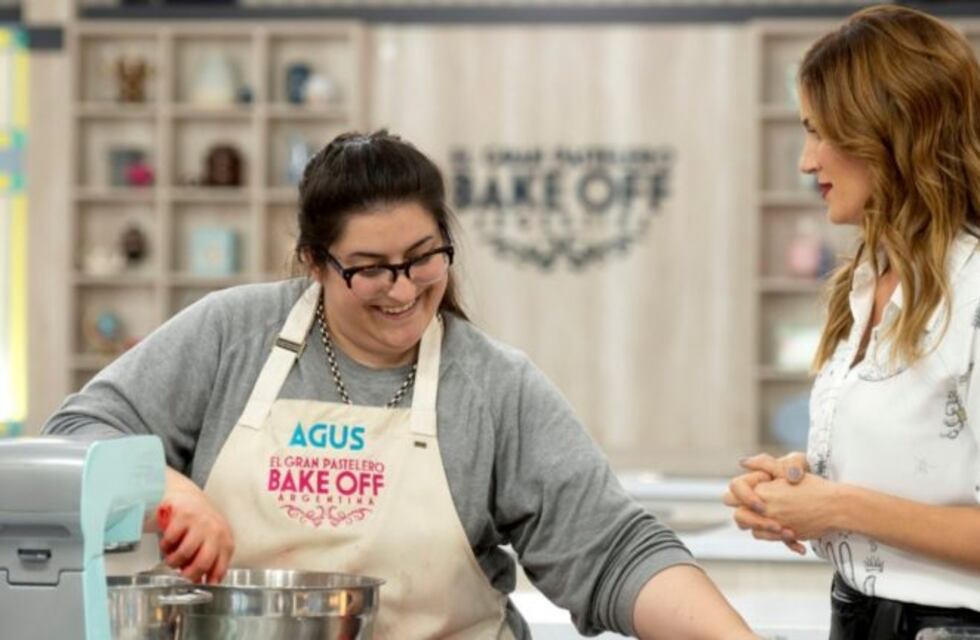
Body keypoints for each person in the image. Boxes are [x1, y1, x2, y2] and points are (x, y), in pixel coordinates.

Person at [45, 130, 756, 638]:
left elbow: (610, 551)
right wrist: (169, 489)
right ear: (315, 262)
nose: (403, 289)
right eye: (370, 269)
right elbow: (76, 435)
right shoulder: (231, 334)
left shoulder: (492, 385)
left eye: (423, 258)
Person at [723, 5, 980, 639]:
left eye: (820, 133)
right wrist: (801, 490)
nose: (806, 162)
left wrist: (838, 505)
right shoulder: (866, 283)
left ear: (890, 132)